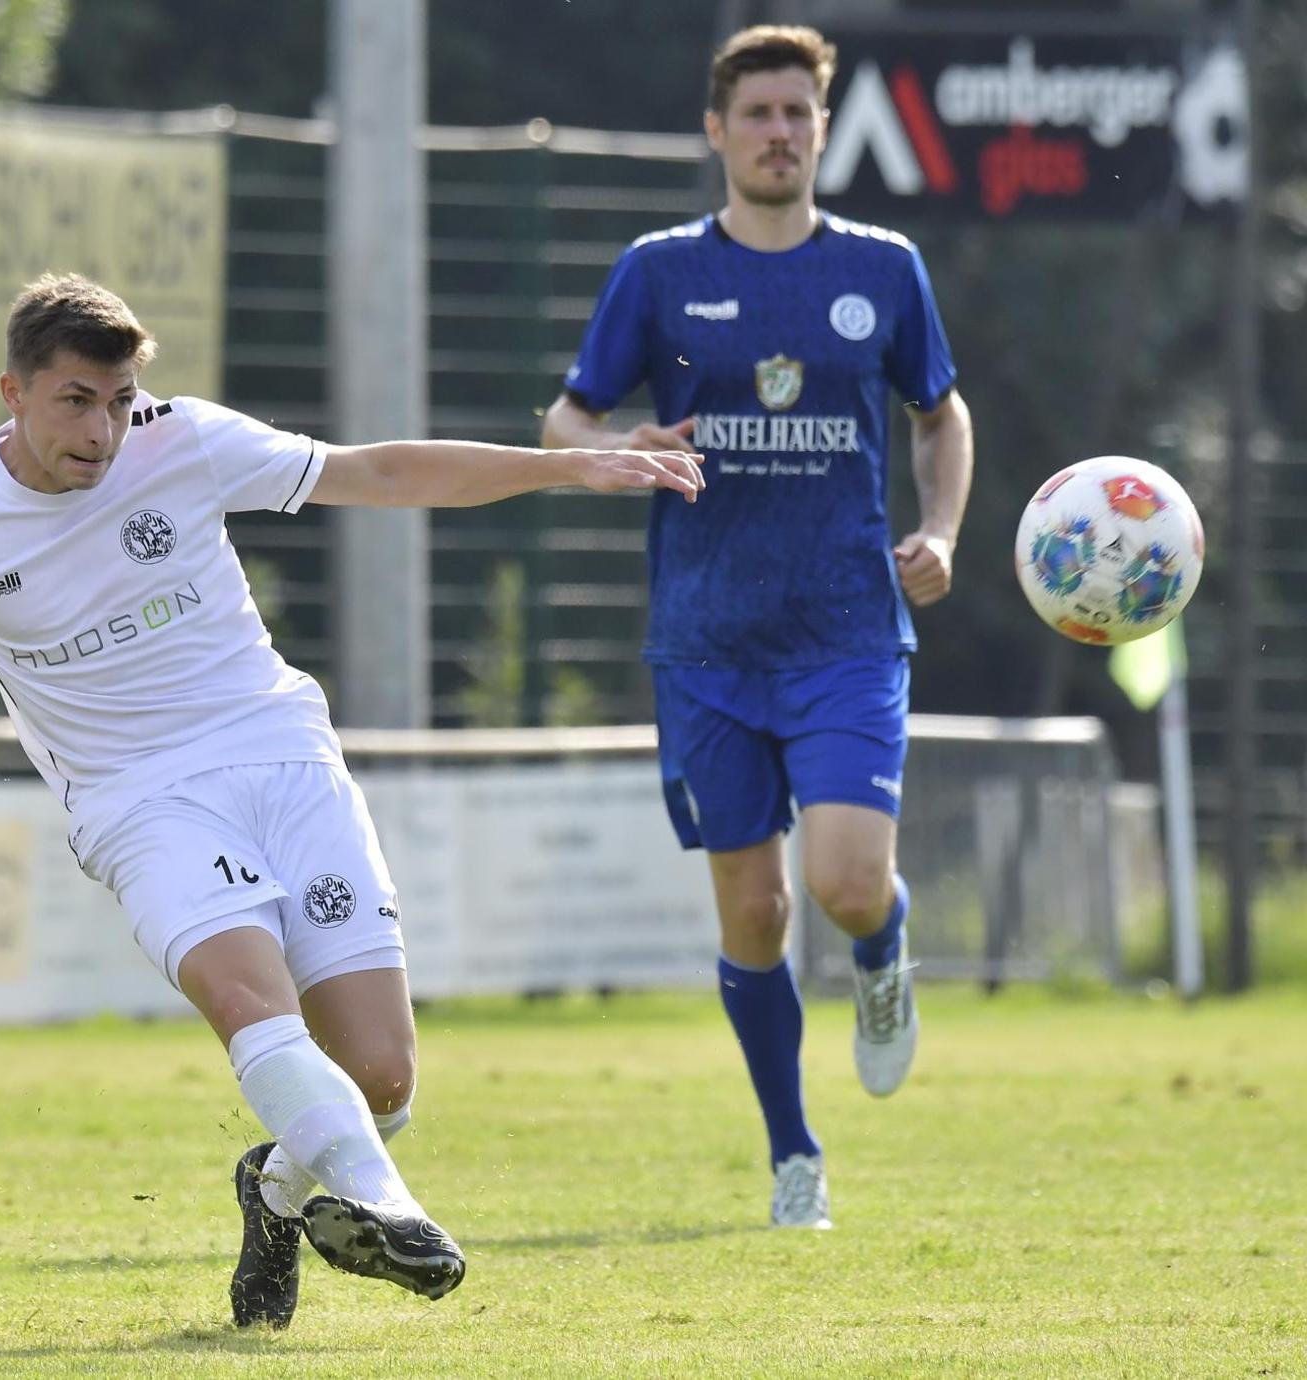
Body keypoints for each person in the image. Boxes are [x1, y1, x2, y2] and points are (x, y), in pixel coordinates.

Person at [0, 272, 704, 1326]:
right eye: (75, 402)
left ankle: (273, 1195)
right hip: (138, 799)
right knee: (250, 1003)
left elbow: (375, 472)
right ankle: (396, 1211)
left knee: (381, 1078)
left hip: (281, 752)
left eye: (118, 401)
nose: (102, 431)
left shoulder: (182, 438)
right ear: (14, 391)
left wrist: (565, 465)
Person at [541, 24, 974, 1229]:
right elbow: (564, 422)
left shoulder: (885, 268)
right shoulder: (659, 271)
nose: (779, 133)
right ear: (717, 132)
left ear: (823, 129)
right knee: (755, 914)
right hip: (706, 641)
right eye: (758, 114)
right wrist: (614, 448)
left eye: (798, 113)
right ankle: (795, 1156)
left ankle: (883, 952)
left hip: (846, 629)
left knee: (843, 883)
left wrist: (941, 531)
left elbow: (940, 414)